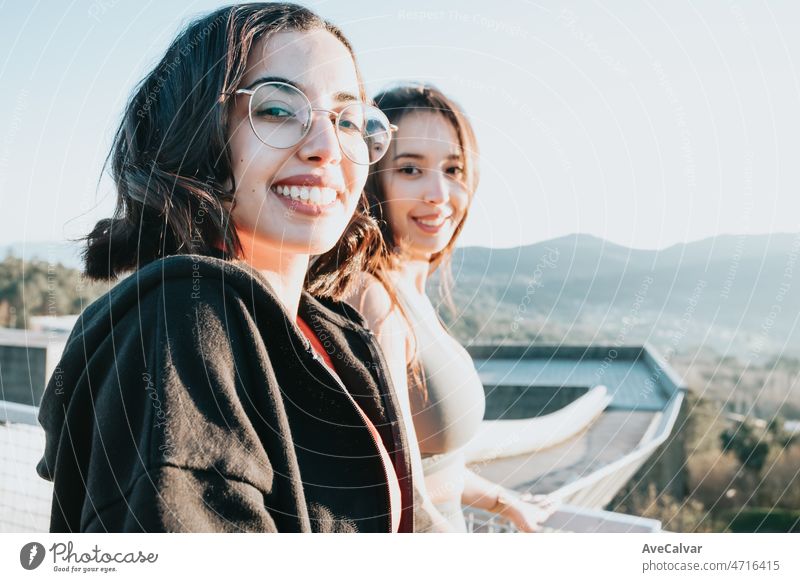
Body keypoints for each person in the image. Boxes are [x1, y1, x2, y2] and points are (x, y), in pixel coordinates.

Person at [36, 3, 416, 533]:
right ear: (196, 134)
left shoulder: (331, 333)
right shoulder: (184, 323)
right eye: (278, 111)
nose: (328, 148)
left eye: (348, 120)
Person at [345, 84, 557, 532]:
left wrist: (504, 502)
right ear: (371, 177)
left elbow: (434, 468)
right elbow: (397, 492)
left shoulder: (409, 292)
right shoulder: (371, 298)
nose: (439, 192)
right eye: (409, 169)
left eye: (453, 168)